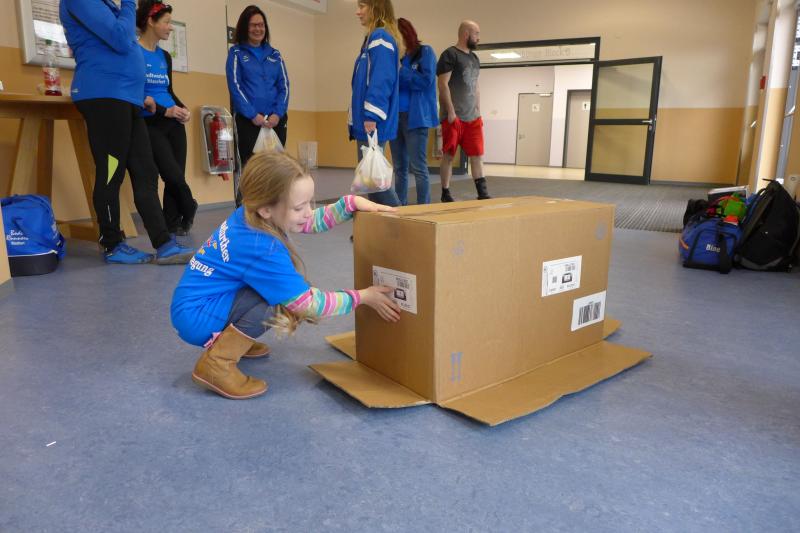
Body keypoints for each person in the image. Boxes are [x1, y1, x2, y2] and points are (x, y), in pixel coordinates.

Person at [170, 152, 401, 400]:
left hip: (197, 305)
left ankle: (234, 338)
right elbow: (307, 305)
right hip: (198, 317)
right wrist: (363, 297)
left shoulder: (251, 214)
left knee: (281, 290)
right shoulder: (261, 247)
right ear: (266, 209)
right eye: (299, 207)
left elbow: (310, 221)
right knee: (284, 302)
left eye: (310, 203)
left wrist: (349, 204)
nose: (308, 212)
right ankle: (218, 363)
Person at [59, 0, 195, 264]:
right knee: (112, 171)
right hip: (103, 95)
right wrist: (130, 4)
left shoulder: (107, 6)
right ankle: (112, 244)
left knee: (146, 171)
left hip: (127, 98)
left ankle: (164, 244)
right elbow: (121, 39)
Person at [136, 0, 198, 236]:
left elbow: (168, 90)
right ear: (151, 21)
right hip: (151, 122)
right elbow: (136, 93)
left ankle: (172, 222)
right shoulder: (134, 53)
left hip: (174, 121)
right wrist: (165, 111)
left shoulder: (164, 56)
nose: (170, 27)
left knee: (177, 175)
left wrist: (182, 109)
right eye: (167, 22)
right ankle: (189, 205)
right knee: (171, 174)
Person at [226, 5, 290, 174]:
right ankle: (246, 194)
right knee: (251, 170)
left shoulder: (275, 55)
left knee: (275, 170)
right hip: (249, 122)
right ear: (245, 27)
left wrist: (278, 113)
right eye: (253, 25)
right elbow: (235, 86)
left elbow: (284, 86)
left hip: (275, 121)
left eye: (261, 25)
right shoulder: (236, 53)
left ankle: (274, 195)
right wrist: (252, 114)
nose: (258, 29)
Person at [350, 0, 401, 207]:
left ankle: (403, 221)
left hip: (372, 122)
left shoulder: (380, 38)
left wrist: (372, 115)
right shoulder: (372, 38)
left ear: (376, 8)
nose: (358, 12)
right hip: (367, 121)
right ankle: (381, 224)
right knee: (371, 182)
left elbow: (382, 78)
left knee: (378, 183)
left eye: (362, 6)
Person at [436, 20, 491, 202]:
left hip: (473, 117)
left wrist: (478, 110)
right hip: (453, 118)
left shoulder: (475, 59)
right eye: (476, 34)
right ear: (466, 34)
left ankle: (482, 193)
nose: (478, 38)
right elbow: (442, 85)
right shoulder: (449, 55)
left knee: (477, 155)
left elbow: (476, 86)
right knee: (449, 156)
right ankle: (445, 193)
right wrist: (451, 112)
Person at [389, 18, 438, 206]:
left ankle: (423, 207)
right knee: (399, 167)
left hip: (416, 118)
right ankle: (400, 206)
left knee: (418, 167)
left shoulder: (425, 52)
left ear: (405, 34)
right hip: (395, 118)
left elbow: (426, 81)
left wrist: (402, 71)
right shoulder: (397, 58)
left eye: (395, 35)